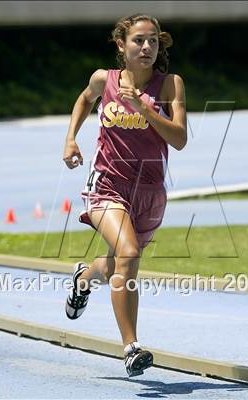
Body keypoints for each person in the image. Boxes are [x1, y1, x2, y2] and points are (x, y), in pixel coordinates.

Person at [63, 13, 187, 377]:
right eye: (138, 41)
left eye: (152, 41)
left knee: (120, 265)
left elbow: (178, 139)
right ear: (122, 45)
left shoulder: (170, 85)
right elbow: (85, 99)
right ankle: (131, 347)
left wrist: (145, 108)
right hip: (108, 184)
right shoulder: (106, 79)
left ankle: (84, 278)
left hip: (149, 191)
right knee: (129, 252)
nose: (146, 47)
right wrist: (71, 138)